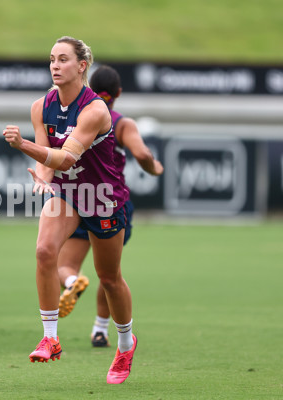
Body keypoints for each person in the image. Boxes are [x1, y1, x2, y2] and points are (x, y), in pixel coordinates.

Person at [3, 36, 140, 384]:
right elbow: (51, 162)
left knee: (109, 278)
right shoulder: (41, 106)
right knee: (45, 251)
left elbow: (65, 158)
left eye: (63, 59)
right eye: (51, 59)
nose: (54, 65)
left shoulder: (95, 110)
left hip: (103, 196)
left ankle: (125, 343)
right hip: (67, 193)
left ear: (81, 66)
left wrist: (23, 146)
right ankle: (51, 338)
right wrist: (42, 177)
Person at [57, 64, 164, 348]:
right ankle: (100, 329)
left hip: (78, 200)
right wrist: (154, 167)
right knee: (110, 275)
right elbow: (141, 152)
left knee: (65, 265)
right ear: (118, 93)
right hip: (111, 203)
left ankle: (71, 282)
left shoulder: (82, 117)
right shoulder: (120, 123)